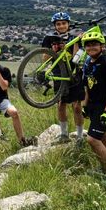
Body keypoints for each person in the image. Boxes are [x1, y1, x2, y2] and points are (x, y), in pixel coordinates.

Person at [0, 44, 36, 157]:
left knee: (14, 112)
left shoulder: (4, 70)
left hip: (1, 99)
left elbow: (4, 87)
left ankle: (22, 140)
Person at [42, 12, 85, 145]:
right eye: (58, 24)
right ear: (55, 26)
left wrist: (77, 41)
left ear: (68, 24)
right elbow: (44, 59)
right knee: (61, 105)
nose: (61, 26)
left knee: (77, 107)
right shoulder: (50, 38)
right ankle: (64, 134)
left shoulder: (75, 36)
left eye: (64, 23)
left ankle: (79, 136)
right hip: (59, 74)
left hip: (74, 72)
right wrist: (54, 51)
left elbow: (76, 58)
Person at [81, 31, 106, 175]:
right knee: (104, 136)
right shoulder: (87, 63)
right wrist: (85, 106)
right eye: (88, 45)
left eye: (95, 44)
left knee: (92, 139)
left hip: (105, 107)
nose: (91, 47)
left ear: (102, 46)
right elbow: (87, 87)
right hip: (94, 105)